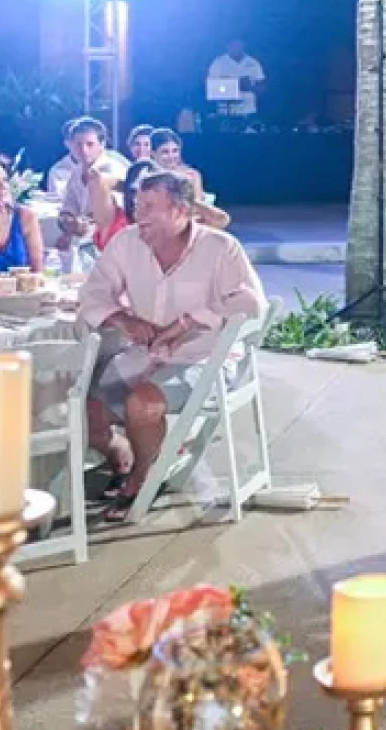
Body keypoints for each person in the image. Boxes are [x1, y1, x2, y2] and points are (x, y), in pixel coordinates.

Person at [78, 170, 267, 520]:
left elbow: (252, 305)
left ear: (182, 211)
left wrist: (190, 321)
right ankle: (127, 456)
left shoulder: (219, 247)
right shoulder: (127, 241)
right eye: (136, 205)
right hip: (148, 353)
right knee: (84, 402)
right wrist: (124, 320)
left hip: (207, 357)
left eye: (150, 207)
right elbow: (92, 294)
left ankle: (143, 479)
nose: (138, 215)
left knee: (143, 402)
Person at [52, 117, 125, 253]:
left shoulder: (114, 169)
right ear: (71, 146)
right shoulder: (76, 172)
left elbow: (117, 214)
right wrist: (68, 223)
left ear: (102, 145)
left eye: (90, 144)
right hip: (84, 241)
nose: (84, 150)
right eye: (78, 144)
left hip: (113, 241)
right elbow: (69, 206)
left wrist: (86, 224)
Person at [150, 129, 231, 229]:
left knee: (221, 219)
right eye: (165, 152)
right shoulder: (147, 176)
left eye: (175, 151)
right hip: (158, 221)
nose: (171, 156)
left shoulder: (191, 175)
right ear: (153, 153)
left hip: (187, 219)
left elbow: (196, 206)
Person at [207, 38, 265, 116]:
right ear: (227, 46)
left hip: (248, 111)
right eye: (232, 45)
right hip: (225, 112)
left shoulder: (253, 62)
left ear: (243, 45)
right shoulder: (218, 63)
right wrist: (235, 84)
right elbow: (211, 89)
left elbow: (261, 87)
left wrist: (251, 87)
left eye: (237, 45)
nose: (235, 48)